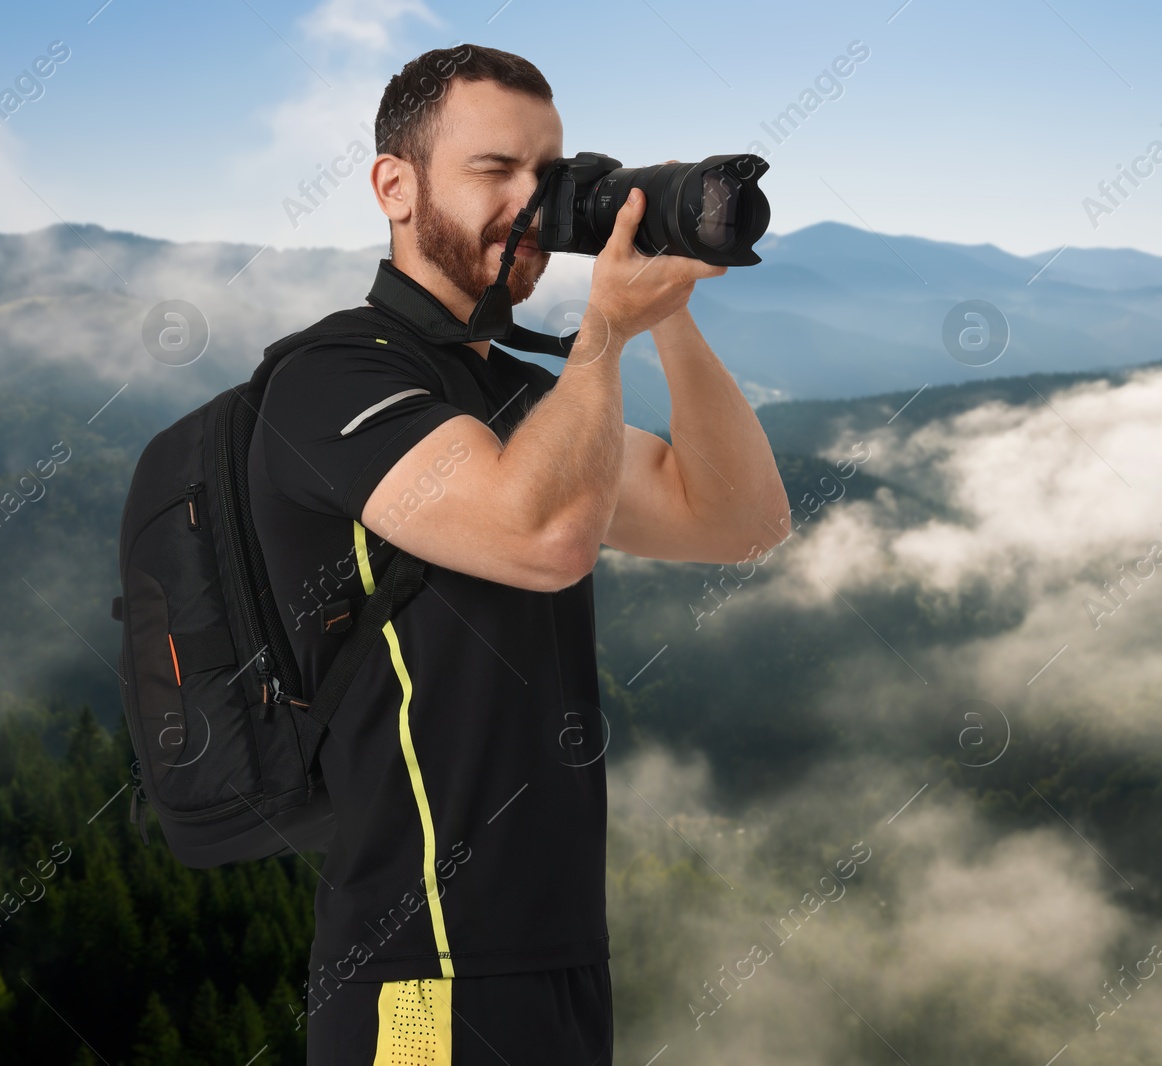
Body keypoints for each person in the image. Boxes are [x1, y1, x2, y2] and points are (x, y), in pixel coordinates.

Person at [246, 43, 791, 1066]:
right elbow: (542, 538)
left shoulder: (521, 404)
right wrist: (600, 340)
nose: (531, 203)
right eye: (494, 171)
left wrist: (666, 319)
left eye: (547, 173)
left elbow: (738, 519)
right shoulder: (330, 380)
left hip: (555, 956)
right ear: (395, 188)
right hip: (421, 970)